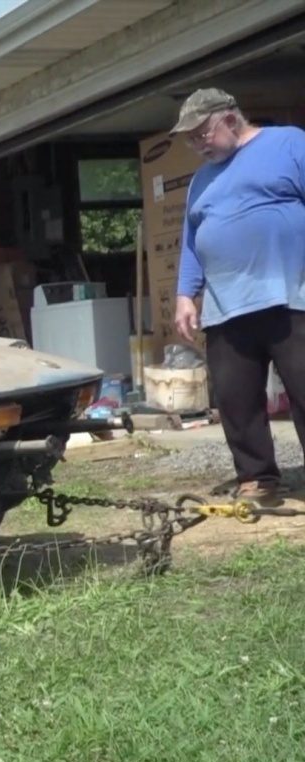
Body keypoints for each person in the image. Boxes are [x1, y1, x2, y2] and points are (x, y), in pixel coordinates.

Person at [172, 88, 305, 505]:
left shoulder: (289, 143)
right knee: (236, 399)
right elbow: (193, 241)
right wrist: (184, 296)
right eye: (189, 139)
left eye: (201, 134)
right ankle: (258, 478)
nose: (196, 145)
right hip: (226, 305)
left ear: (230, 120)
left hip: (290, 294)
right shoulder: (201, 180)